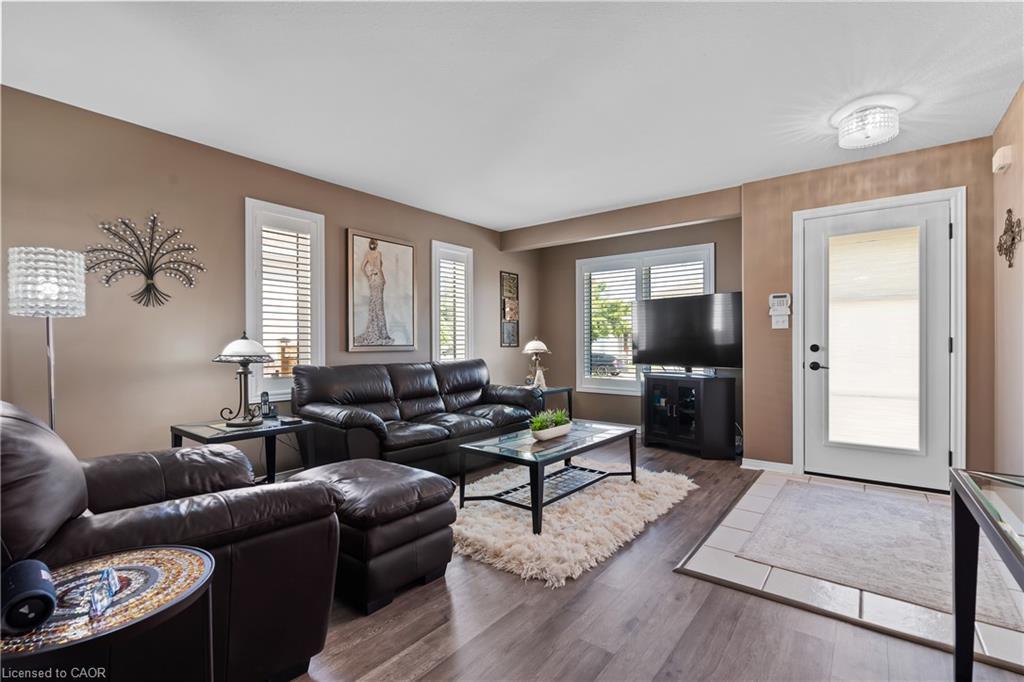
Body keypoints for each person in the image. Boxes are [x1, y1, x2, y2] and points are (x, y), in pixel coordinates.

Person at [355, 238, 393, 345]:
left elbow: (362, 267)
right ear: (376, 244)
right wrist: (383, 279)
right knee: (379, 305)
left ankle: (374, 331)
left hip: (372, 280)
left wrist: (368, 276)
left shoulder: (367, 254)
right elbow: (379, 268)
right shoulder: (378, 253)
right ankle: (381, 333)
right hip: (378, 279)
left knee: (373, 304)